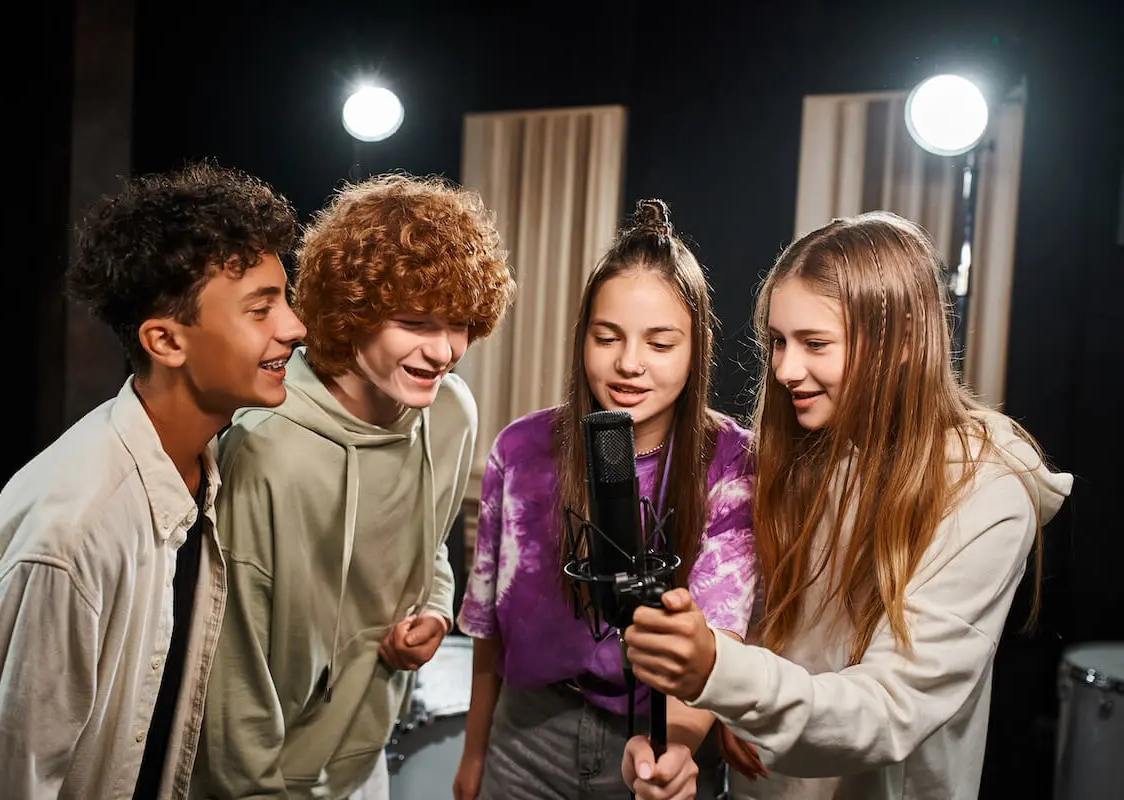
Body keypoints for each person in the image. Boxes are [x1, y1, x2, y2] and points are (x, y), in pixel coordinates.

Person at [620, 211, 1073, 800]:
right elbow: (763, 633)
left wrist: (721, 676)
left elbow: (889, 709)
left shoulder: (985, 492)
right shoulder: (804, 448)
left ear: (903, 340)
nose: (784, 369)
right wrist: (694, 730)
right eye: (778, 342)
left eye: (815, 343)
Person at [0, 161, 306, 799]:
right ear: (165, 340)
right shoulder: (74, 534)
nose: (293, 328)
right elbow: (4, 778)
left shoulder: (201, 469)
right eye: (261, 309)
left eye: (284, 301)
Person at [192, 173, 516, 799]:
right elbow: (231, 660)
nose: (444, 350)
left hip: (366, 761)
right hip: (261, 779)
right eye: (414, 321)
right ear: (351, 312)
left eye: (460, 324)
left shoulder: (452, 413)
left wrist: (433, 609)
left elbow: (431, 549)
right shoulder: (267, 448)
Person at [454, 199, 759, 800]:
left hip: (659, 734)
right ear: (582, 339)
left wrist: (674, 752)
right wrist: (474, 752)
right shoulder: (520, 449)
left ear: (696, 349)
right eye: (607, 337)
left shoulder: (734, 465)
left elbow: (721, 639)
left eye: (660, 344)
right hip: (525, 736)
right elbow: (488, 627)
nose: (629, 364)